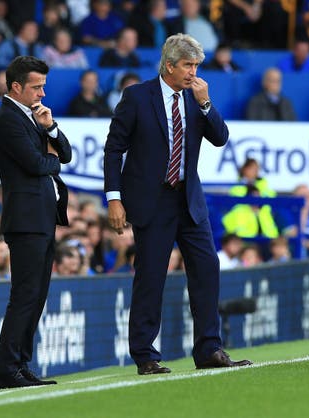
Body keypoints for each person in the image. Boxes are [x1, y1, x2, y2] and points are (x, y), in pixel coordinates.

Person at [103, 34, 251, 375]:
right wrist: (114, 198)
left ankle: (209, 349)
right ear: (169, 65)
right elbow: (114, 149)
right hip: (151, 201)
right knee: (152, 276)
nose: (193, 72)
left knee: (207, 268)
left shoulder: (196, 98)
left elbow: (220, 138)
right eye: (187, 65)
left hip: (188, 198)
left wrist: (206, 104)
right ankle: (145, 355)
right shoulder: (137, 97)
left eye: (196, 65)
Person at [0, 56, 72, 389]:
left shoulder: (34, 117)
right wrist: (50, 156)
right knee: (25, 295)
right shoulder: (7, 120)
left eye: (43, 87)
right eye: (36, 87)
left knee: (36, 295)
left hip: (41, 217)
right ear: (16, 87)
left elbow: (65, 154)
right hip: (25, 220)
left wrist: (51, 129)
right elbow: (39, 164)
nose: (41, 94)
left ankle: (21, 366)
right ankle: (8, 370)